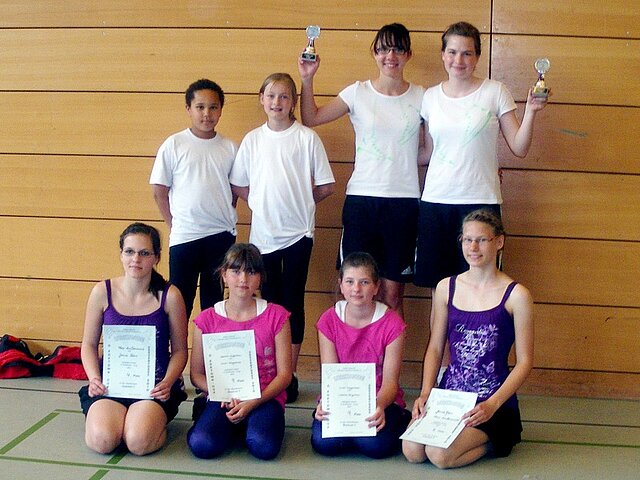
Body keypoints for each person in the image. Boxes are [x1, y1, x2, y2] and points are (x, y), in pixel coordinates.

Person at [298, 23, 425, 316]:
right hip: (362, 202)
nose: (390, 56)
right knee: (354, 290)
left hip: (404, 203)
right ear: (375, 53)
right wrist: (307, 79)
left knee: (392, 295)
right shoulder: (357, 92)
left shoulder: (422, 97)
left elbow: (430, 151)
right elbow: (311, 118)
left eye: (397, 49)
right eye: (383, 49)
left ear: (408, 54)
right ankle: (351, 349)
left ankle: (389, 349)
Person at [414, 21, 549, 291]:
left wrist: (531, 112)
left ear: (477, 57)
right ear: (443, 55)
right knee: (440, 290)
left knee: (481, 288)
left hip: (481, 202)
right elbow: (427, 152)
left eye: (467, 53)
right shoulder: (429, 97)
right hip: (436, 203)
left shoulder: (495, 91)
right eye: (452, 52)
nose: (458, 60)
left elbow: (519, 148)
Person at [230, 73, 335, 403]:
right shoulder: (252, 140)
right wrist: (261, 203)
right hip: (263, 238)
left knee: (292, 302)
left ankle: (287, 375)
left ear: (293, 102)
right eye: (271, 95)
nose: (277, 102)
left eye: (284, 96)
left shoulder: (307, 139)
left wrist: (301, 203)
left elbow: (326, 186)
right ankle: (269, 372)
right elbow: (239, 184)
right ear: (261, 99)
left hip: (298, 236)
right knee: (269, 304)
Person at [403, 209, 534, 468]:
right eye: (467, 240)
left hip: (490, 400)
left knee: (440, 456)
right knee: (412, 451)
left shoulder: (517, 295)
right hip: (449, 397)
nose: (473, 247)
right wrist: (426, 392)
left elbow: (525, 362)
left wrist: (492, 404)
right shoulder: (446, 287)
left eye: (482, 240)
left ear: (499, 241)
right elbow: (436, 347)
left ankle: (500, 436)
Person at [79, 223, 188, 455]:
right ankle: (115, 422)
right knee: (102, 441)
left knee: (138, 442)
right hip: (110, 385)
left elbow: (180, 350)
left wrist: (167, 382)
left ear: (156, 257)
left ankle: (146, 425)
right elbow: (88, 344)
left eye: (144, 253)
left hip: (153, 388)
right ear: (121, 254)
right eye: (129, 251)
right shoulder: (102, 292)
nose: (135, 259)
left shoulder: (171, 296)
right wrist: (94, 378)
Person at [187, 243, 292, 460]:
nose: (243, 279)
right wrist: (223, 394)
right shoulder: (206, 319)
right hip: (223, 398)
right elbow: (196, 374)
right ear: (224, 275)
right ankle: (222, 421)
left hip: (264, 397)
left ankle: (252, 425)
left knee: (264, 447)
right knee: (202, 445)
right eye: (236, 271)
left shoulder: (277, 316)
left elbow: (284, 375)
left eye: (251, 272)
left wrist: (254, 401)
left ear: (260, 277)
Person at [150, 78, 237, 320]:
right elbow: (159, 190)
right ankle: (177, 347)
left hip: (220, 237)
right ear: (188, 108)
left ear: (220, 110)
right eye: (200, 107)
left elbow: (234, 191)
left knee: (214, 306)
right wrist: (173, 223)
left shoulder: (230, 148)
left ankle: (208, 348)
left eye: (213, 107)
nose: (207, 114)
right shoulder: (174, 144)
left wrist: (223, 214)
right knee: (179, 304)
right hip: (185, 236)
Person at [311, 252, 410, 458]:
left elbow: (390, 382)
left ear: (376, 287)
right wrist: (325, 404)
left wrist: (380, 405)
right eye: (350, 282)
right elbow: (331, 376)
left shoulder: (392, 323)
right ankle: (352, 434)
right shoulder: (328, 320)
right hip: (342, 399)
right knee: (324, 444)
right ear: (341, 285)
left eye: (364, 282)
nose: (356, 289)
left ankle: (400, 418)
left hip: (379, 399)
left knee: (375, 447)